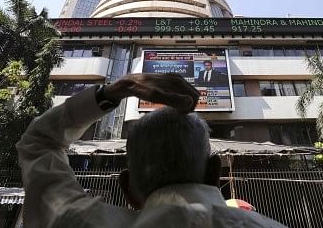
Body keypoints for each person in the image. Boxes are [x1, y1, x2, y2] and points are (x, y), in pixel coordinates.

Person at [16, 73, 288, 228]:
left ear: (127, 187)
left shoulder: (80, 222)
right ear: (215, 173)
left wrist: (118, 89)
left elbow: (38, 142)